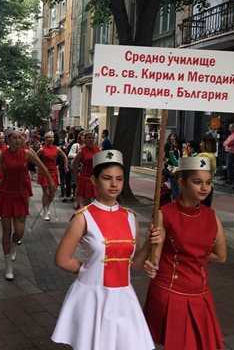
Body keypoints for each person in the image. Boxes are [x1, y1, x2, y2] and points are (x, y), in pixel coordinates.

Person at [52, 150, 161, 350]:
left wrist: (147, 245)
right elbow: (61, 259)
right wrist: (90, 270)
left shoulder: (130, 218)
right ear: (94, 180)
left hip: (123, 297)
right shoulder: (83, 217)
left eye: (119, 179)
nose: (114, 184)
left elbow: (132, 267)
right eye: (107, 178)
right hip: (93, 297)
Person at [144, 156, 227, 350]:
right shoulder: (164, 213)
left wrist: (191, 257)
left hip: (200, 292)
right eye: (197, 182)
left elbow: (221, 256)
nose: (204, 188)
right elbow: (155, 256)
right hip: (169, 290)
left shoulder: (211, 216)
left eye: (208, 183)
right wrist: (151, 263)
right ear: (181, 182)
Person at [0, 129, 56, 281]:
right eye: (15, 138)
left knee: (19, 231)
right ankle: (8, 263)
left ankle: (13, 245)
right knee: (6, 230)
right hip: (5, 195)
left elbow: (42, 167)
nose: (18, 140)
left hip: (21, 195)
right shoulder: (0, 154)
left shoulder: (27, 153)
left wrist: (51, 183)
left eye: (20, 138)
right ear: (8, 140)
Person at [37, 131, 68, 221]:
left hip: (54, 172)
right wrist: (39, 167)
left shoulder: (57, 148)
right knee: (46, 193)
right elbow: (35, 158)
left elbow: (64, 156)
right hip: (45, 173)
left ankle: (47, 205)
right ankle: (45, 211)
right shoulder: (42, 149)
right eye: (49, 137)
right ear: (45, 139)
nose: (51, 139)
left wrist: (66, 165)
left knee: (52, 194)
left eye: (52, 137)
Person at [72, 130, 100, 208]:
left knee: (97, 200)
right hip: (85, 177)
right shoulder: (82, 151)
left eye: (93, 138)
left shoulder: (98, 150)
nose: (91, 139)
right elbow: (74, 164)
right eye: (89, 138)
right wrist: (76, 175)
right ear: (85, 139)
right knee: (86, 202)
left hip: (95, 177)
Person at [198, 134, 217, 206]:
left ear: (206, 144)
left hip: (201, 187)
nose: (200, 144)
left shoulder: (205, 156)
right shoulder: (212, 155)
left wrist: (185, 153)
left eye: (201, 142)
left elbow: (190, 167)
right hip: (209, 186)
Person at [163, 133, 181, 200]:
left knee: (173, 184)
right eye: (171, 136)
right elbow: (166, 154)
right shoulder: (167, 145)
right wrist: (166, 160)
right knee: (168, 182)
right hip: (169, 166)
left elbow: (176, 159)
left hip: (174, 167)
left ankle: (174, 198)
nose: (172, 137)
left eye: (174, 136)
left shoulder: (177, 149)